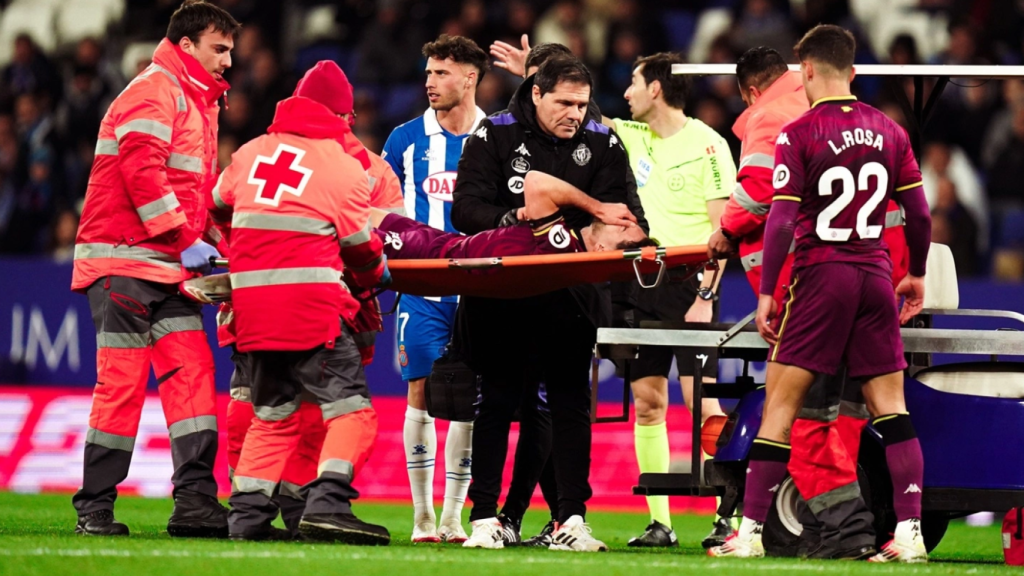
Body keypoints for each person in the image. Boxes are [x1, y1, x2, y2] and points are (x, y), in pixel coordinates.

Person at [708, 24, 932, 563]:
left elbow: (782, 220)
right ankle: (909, 536)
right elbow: (920, 214)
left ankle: (752, 535)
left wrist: (765, 296)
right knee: (892, 411)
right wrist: (916, 273)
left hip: (820, 278)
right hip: (876, 278)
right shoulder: (891, 131)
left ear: (805, 71)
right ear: (852, 72)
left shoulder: (798, 132)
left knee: (780, 411)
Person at [451, 55, 640, 552]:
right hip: (504, 295)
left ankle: (572, 519)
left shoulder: (602, 141)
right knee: (496, 401)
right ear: (536, 92)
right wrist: (523, 218)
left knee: (570, 406)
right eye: (564, 103)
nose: (575, 114)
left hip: (570, 296)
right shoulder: (494, 135)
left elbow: (628, 217)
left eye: (581, 104)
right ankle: (486, 518)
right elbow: (466, 213)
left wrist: (609, 232)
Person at [69, 0, 240, 537]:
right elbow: (142, 171)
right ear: (187, 45)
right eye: (220, 48)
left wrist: (215, 241)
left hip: (167, 266)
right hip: (123, 259)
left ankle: (194, 504)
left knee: (192, 382)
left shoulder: (195, 99)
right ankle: (94, 509)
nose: (229, 61)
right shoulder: (154, 89)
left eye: (231, 50)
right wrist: (186, 239)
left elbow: (188, 192)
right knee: (120, 384)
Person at [220, 62, 404, 539]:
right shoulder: (345, 167)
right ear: (344, 117)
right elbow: (363, 250)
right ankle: (328, 504)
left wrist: (241, 251)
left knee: (271, 416)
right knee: (353, 413)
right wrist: (379, 275)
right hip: (311, 311)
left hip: (251, 313)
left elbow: (217, 204)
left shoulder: (250, 153)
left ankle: (247, 518)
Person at [611, 52, 735, 548]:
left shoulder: (709, 145)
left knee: (702, 401)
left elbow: (723, 230)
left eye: (634, 82)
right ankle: (659, 523)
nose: (626, 93)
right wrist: (533, 72)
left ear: (657, 88)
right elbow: (575, 113)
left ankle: (726, 515)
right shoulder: (629, 134)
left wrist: (706, 294)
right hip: (642, 283)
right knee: (647, 403)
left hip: (692, 282)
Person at [380, 34, 489, 544]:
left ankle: (452, 516)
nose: (429, 81)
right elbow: (383, 211)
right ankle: (423, 516)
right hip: (422, 288)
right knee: (419, 393)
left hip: (482, 292)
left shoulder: (498, 138)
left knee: (467, 398)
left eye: (442, 72)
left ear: (470, 77)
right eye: (428, 72)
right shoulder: (404, 140)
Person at [375, 170, 647, 258]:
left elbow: (536, 182)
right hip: (446, 241)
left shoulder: (562, 249)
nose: (618, 217)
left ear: (601, 249)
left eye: (623, 227)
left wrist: (597, 207)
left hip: (438, 256)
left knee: (347, 231)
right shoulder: (566, 238)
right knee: (357, 214)